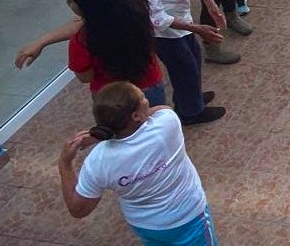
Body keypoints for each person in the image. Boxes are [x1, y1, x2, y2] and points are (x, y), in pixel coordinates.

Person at [57, 82, 219, 243]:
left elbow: (78, 209)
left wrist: (65, 163)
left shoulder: (97, 161)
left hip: (146, 226)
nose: (146, 98)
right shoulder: (167, 124)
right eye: (142, 97)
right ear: (136, 116)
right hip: (190, 217)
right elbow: (162, 109)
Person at [14, 0, 166, 106]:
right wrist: (43, 41)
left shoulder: (81, 41)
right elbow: (93, 23)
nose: (68, 4)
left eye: (71, 1)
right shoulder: (136, 6)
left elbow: (85, 77)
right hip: (150, 83)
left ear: (89, 6)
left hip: (113, 98)